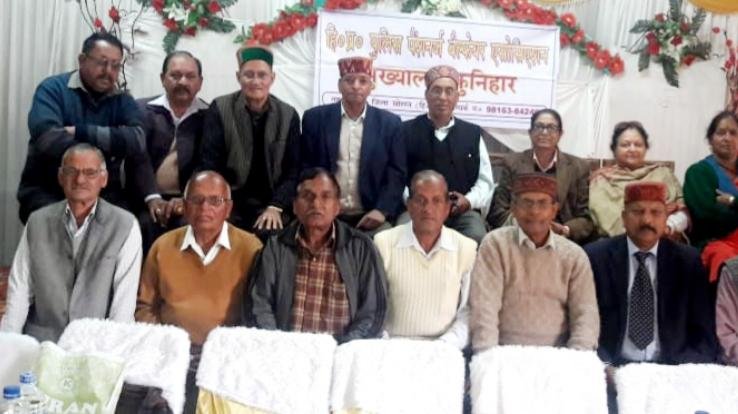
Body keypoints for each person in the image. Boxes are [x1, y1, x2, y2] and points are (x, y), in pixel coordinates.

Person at [136, 170, 262, 414]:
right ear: (184, 206)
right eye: (196, 200)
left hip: (225, 356)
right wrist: (167, 345)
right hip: (171, 352)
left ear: (228, 208)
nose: (205, 208)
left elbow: (257, 312)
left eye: (215, 201)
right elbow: (145, 307)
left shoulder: (251, 248)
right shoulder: (163, 246)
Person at [1, 143, 142, 342]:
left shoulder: (125, 225)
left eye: (90, 173)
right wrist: (8, 344)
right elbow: (20, 290)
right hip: (42, 341)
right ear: (60, 177)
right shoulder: (37, 221)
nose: (79, 179)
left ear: (104, 179)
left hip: (94, 343)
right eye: (71, 171)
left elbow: (123, 305)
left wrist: (110, 351)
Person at [244, 168, 387, 343]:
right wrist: (277, 346)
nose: (316, 204)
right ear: (295, 206)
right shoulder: (276, 247)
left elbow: (373, 312)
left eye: (325, 196)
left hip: (342, 353)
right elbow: (258, 304)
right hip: (284, 351)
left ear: (337, 207)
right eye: (307, 196)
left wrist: (344, 350)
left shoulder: (361, 248)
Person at [17, 32, 145, 223]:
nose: (108, 71)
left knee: (127, 222)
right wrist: (112, 145)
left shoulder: (123, 100)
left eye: (115, 65)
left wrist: (80, 131)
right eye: (102, 63)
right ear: (82, 60)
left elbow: (137, 139)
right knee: (60, 223)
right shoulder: (52, 89)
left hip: (104, 194)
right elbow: (47, 139)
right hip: (49, 189)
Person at [585, 182, 717, 365]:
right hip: (612, 366)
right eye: (638, 212)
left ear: (666, 218)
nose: (647, 220)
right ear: (623, 217)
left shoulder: (687, 261)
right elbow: (584, 324)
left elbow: (703, 331)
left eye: (655, 213)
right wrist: (603, 367)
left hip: (672, 367)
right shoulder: (596, 258)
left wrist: (684, 370)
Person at [470, 173, 599, 352]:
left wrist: (575, 359)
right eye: (526, 203)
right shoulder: (495, 245)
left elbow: (585, 315)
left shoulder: (574, 256)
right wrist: (488, 357)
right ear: (513, 208)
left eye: (542, 203)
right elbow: (484, 308)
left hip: (558, 357)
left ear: (554, 210)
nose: (534, 211)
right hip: (504, 354)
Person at [200, 45, 300, 240]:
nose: (255, 81)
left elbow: (293, 171)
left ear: (272, 78)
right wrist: (221, 203)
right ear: (238, 77)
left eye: (262, 75)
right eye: (249, 75)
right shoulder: (220, 108)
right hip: (230, 200)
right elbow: (210, 163)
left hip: (271, 202)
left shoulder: (288, 115)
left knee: (272, 233)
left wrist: (276, 205)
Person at [301, 56, 405, 237]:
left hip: (370, 215)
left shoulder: (389, 124)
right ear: (339, 85)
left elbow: (396, 173)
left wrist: (381, 210)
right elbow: (305, 167)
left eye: (363, 81)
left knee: (383, 242)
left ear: (371, 86)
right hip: (325, 213)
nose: (356, 86)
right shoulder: (315, 119)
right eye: (349, 80)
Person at [374, 170, 476, 350]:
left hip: (445, 349)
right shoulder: (384, 243)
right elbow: (373, 308)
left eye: (436, 201)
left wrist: (443, 347)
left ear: (447, 208)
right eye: (421, 200)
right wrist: (389, 347)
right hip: (391, 347)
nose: (428, 209)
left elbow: (467, 313)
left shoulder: (466, 248)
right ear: (409, 205)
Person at [399, 65, 494, 244]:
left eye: (449, 91)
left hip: (460, 212)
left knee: (476, 236)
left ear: (457, 97)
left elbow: (485, 181)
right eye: (436, 90)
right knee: (401, 237)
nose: (442, 97)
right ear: (426, 95)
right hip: (417, 211)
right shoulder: (405, 131)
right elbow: (397, 176)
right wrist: (413, 202)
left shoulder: (472, 134)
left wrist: (468, 201)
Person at [128, 51, 209, 253]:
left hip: (187, 199)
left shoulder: (209, 115)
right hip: (145, 197)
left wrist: (188, 198)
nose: (183, 82)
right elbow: (137, 158)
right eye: (175, 75)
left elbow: (207, 163)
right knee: (145, 225)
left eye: (190, 76)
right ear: (163, 79)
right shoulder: (141, 110)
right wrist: (152, 197)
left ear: (200, 82)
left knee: (190, 228)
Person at [488, 109, 593, 244]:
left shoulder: (578, 167)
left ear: (560, 134)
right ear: (530, 132)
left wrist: (564, 230)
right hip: (520, 236)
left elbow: (585, 218)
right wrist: (527, 225)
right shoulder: (513, 163)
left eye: (551, 127)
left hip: (561, 240)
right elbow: (498, 210)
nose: (544, 132)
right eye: (539, 126)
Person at [589, 121, 688, 238]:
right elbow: (609, 220)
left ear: (646, 148)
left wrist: (670, 226)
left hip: (668, 237)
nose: (632, 149)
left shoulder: (663, 173)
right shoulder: (602, 180)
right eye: (625, 145)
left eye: (638, 145)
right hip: (623, 242)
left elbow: (683, 210)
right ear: (614, 149)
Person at [684, 111, 738, 283]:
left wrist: (732, 202)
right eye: (721, 133)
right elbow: (708, 215)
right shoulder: (698, 172)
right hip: (716, 243)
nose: (727, 138)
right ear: (710, 139)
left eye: (733, 133)